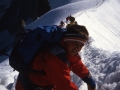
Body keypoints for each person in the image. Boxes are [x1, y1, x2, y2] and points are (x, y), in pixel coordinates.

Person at [15, 24, 96, 90]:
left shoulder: (66, 49)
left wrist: (88, 78)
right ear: (66, 40)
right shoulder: (56, 58)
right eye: (75, 43)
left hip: (42, 84)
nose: (78, 48)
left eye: (81, 45)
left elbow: (75, 62)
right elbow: (65, 86)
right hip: (28, 86)